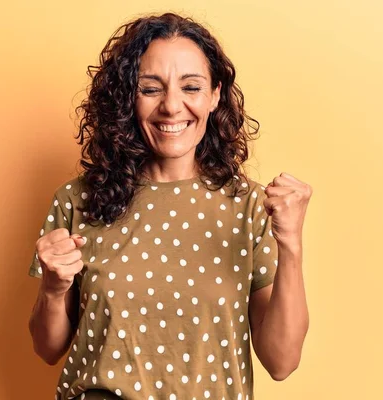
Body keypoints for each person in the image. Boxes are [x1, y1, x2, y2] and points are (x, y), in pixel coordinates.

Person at [28, 12, 311, 400]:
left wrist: (291, 244)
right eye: (150, 89)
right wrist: (54, 288)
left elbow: (282, 361)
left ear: (215, 95)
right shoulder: (77, 201)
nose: (172, 107)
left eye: (191, 87)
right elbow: (47, 349)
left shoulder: (250, 208)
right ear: (127, 97)